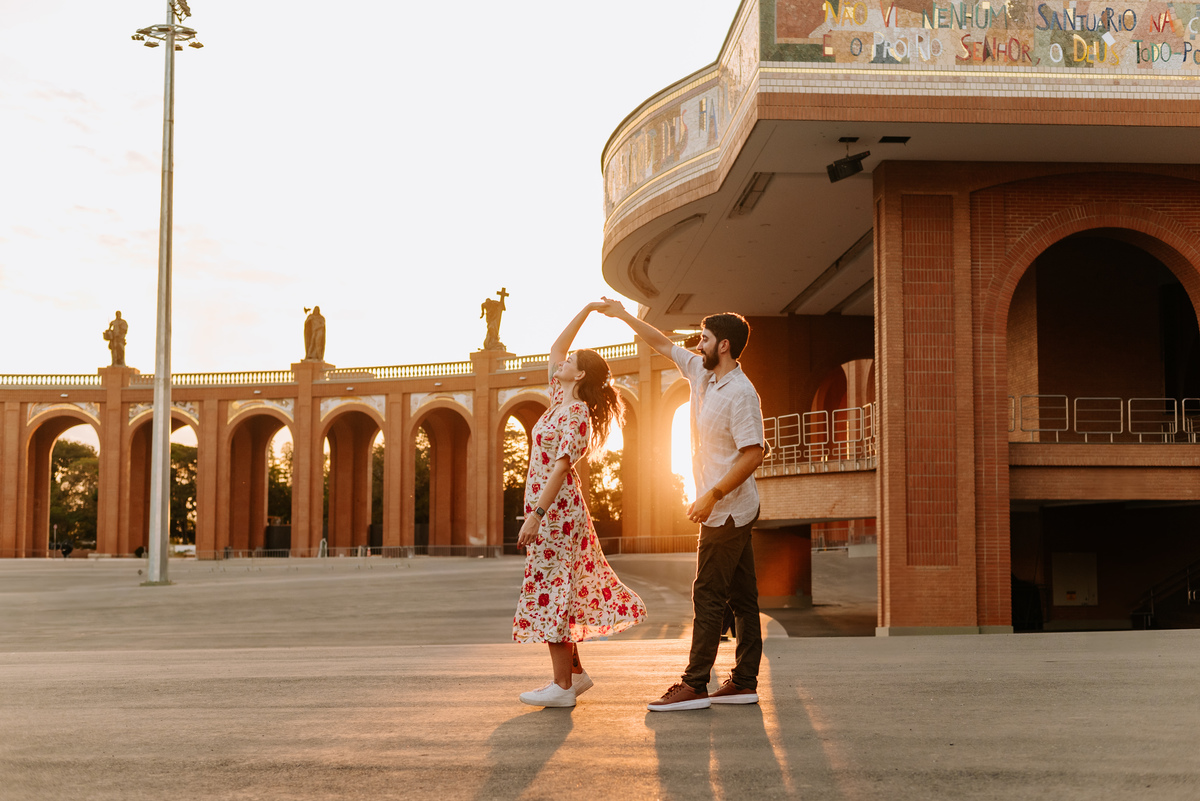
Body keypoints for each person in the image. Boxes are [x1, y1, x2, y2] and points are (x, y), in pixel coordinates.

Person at [601, 298, 766, 712]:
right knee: (743, 598)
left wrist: (711, 496)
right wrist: (622, 315)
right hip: (730, 508)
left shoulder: (742, 394)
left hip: (726, 509)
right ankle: (744, 682)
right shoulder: (701, 372)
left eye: (705, 338)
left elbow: (753, 453)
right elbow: (661, 343)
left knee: (708, 593)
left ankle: (694, 685)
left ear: (724, 346)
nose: (698, 343)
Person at [512, 301, 647, 708]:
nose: (561, 361)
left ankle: (562, 689)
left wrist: (535, 515)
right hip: (552, 511)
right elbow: (556, 346)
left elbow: (560, 469)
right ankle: (575, 674)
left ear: (581, 374)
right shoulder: (558, 398)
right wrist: (587, 310)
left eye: (571, 361)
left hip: (557, 514)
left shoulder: (577, 414)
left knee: (551, 591)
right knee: (557, 588)